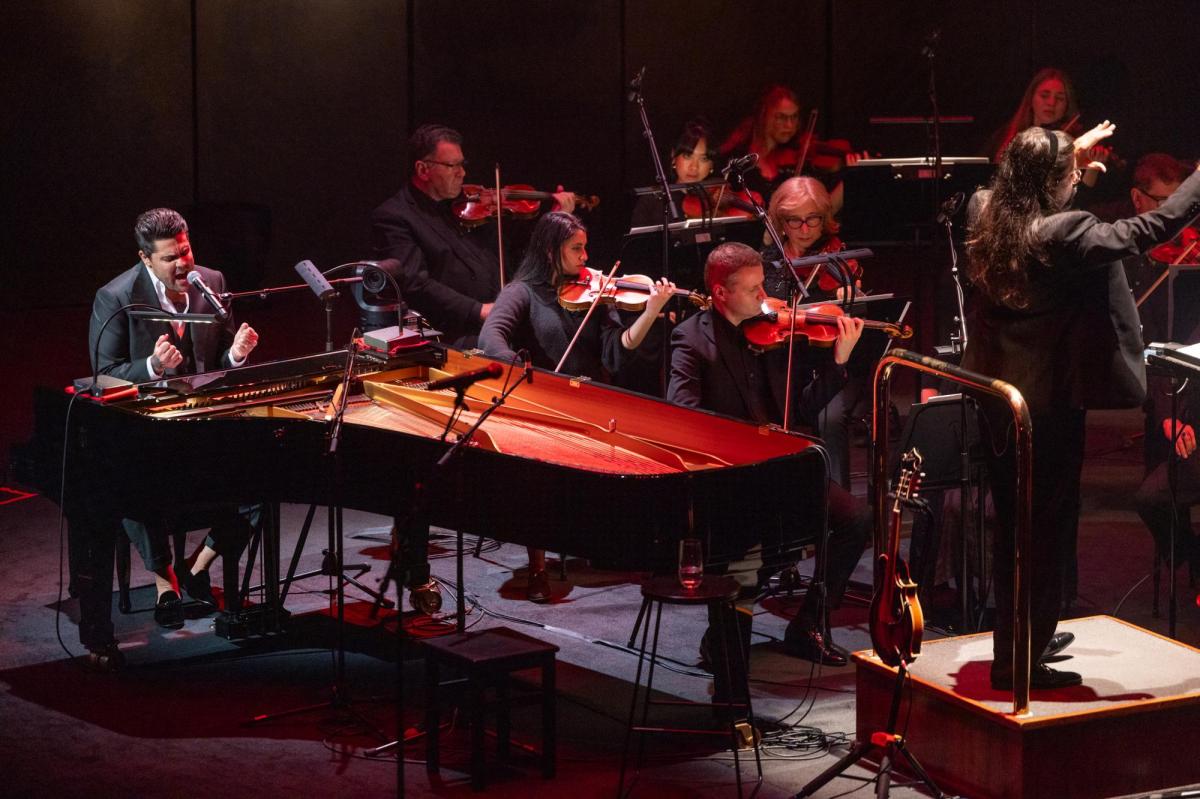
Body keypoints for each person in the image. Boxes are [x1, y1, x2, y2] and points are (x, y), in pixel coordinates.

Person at [963, 124, 1200, 691]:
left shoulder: (985, 210)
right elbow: (1154, 226)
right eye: (1069, 174)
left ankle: (1027, 635)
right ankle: (1017, 661)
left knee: (1017, 526)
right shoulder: (1063, 231)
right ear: (1052, 183)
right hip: (1046, 403)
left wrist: (1064, 156)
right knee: (1042, 527)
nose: (1079, 179)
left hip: (999, 395)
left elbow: (1032, 189)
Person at [667, 241, 872, 680]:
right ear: (721, 292)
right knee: (751, 560)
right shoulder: (691, 338)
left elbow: (800, 409)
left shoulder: (773, 333)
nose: (765, 298)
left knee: (855, 519)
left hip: (784, 469)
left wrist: (838, 364)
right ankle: (725, 644)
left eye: (764, 286)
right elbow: (681, 410)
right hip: (734, 478)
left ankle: (810, 622)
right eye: (753, 289)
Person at [79, 208, 262, 664]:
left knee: (271, 479)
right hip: (146, 430)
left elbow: (219, 359)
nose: (183, 265)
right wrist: (151, 368)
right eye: (170, 258)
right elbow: (102, 373)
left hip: (205, 426)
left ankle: (196, 568)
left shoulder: (212, 282)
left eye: (185, 251)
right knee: (132, 488)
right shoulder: (117, 296)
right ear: (145, 259)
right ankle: (166, 582)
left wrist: (236, 357)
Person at [480, 211, 675, 600]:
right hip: (546, 400)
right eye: (577, 248)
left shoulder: (596, 292)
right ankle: (538, 568)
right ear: (552, 251)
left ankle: (612, 545)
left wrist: (652, 310)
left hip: (594, 399)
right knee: (536, 475)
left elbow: (619, 348)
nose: (586, 257)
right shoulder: (521, 291)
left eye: (585, 247)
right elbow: (491, 337)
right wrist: (524, 374)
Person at [371, 124, 574, 348]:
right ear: (422, 170)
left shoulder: (468, 205)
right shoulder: (395, 217)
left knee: (567, 334)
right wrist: (478, 310)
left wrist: (554, 218)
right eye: (452, 166)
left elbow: (516, 251)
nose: (462, 173)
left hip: (504, 315)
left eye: (462, 164)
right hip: (456, 331)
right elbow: (416, 285)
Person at [758, 176, 864, 490]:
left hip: (832, 366)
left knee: (829, 418)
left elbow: (859, 319)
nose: (805, 230)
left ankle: (838, 508)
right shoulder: (766, 265)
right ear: (781, 222)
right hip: (781, 366)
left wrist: (851, 300)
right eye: (795, 221)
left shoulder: (839, 260)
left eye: (813, 220)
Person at [986, 68, 1111, 187]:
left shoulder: (1073, 142)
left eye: (1060, 98)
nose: (1051, 103)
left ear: (1067, 105)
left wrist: (1092, 169)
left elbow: (1080, 197)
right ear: (1031, 98)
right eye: (1045, 95)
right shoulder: (1004, 134)